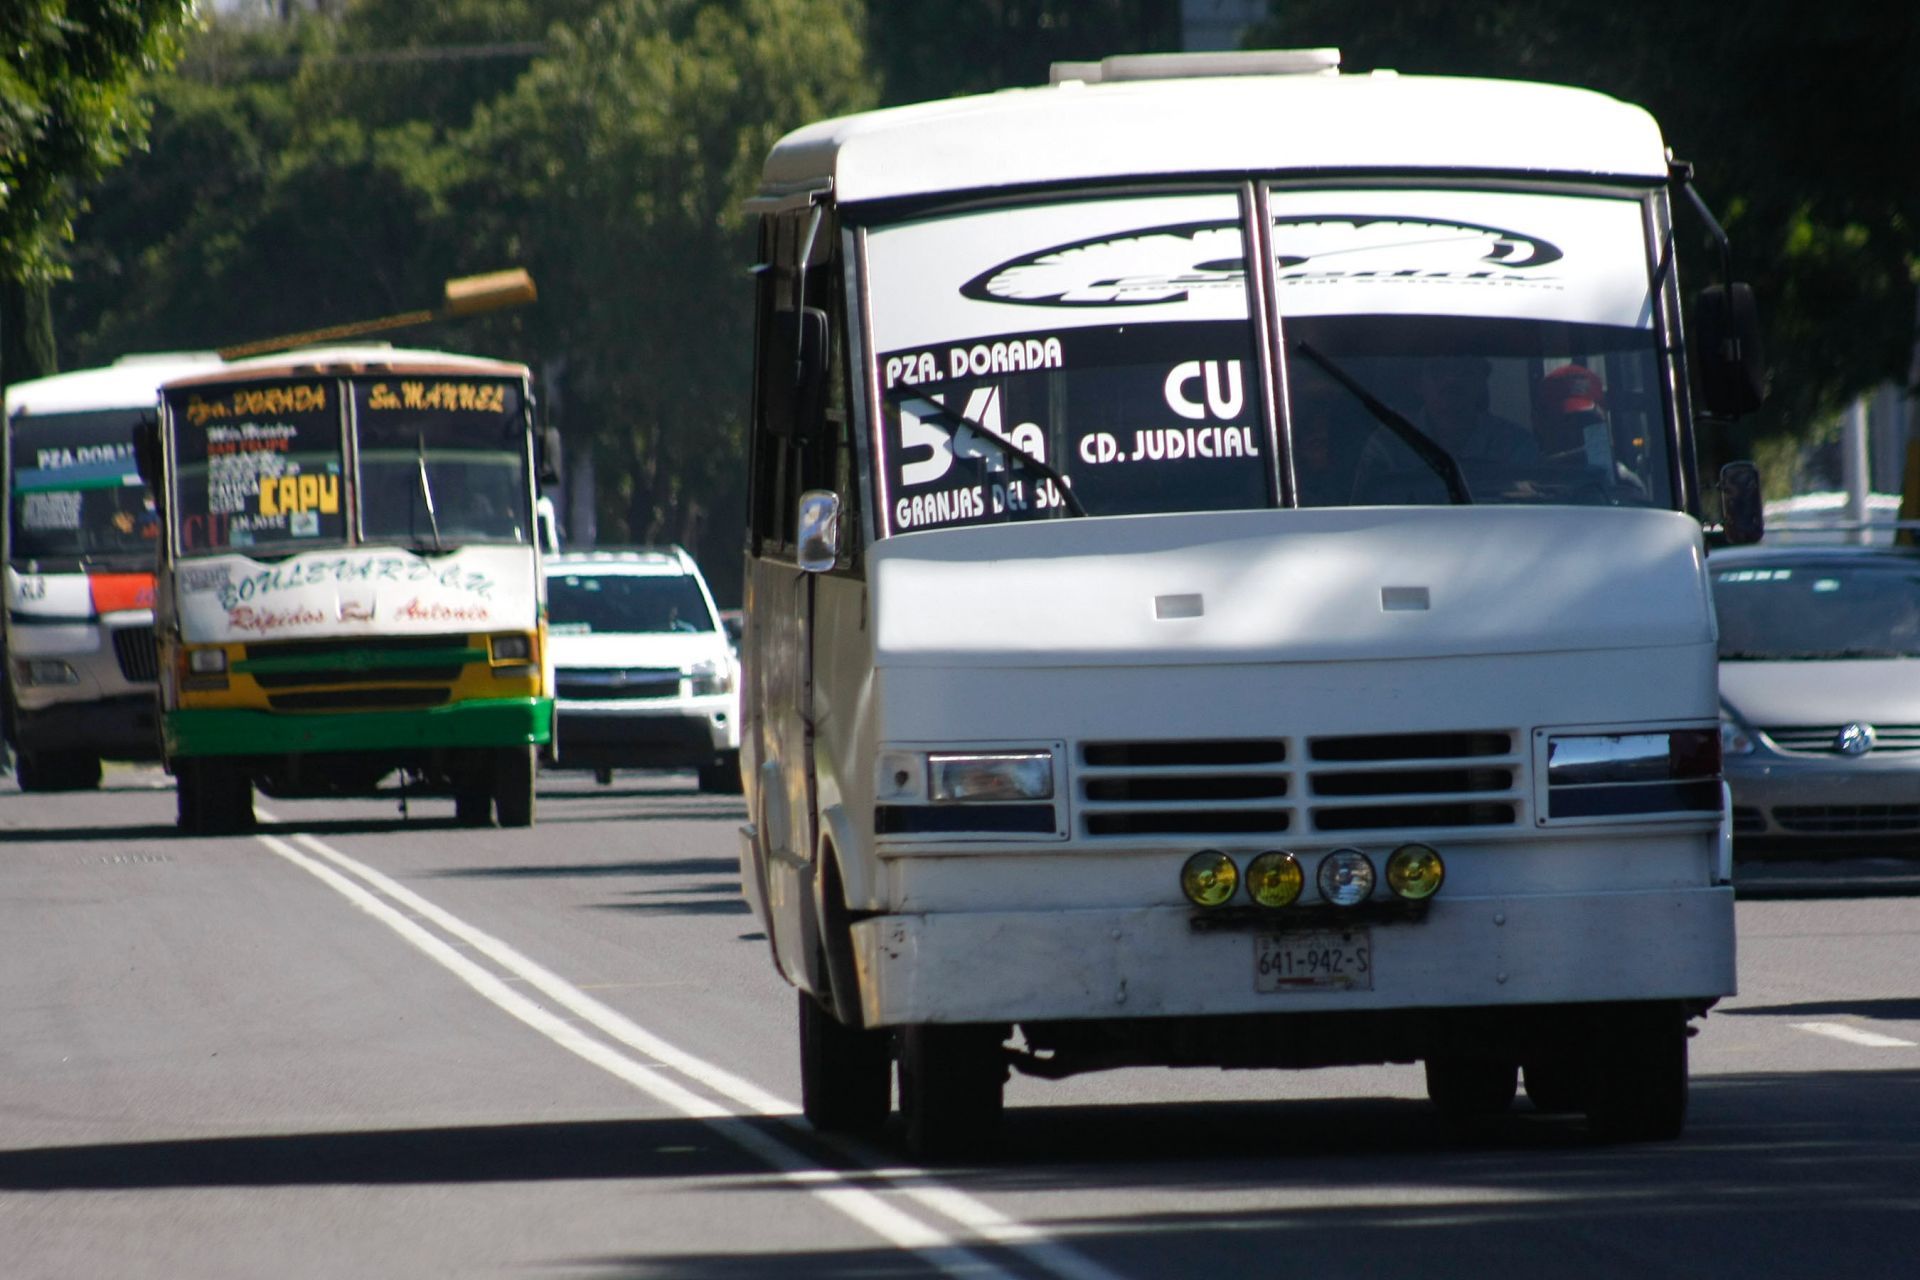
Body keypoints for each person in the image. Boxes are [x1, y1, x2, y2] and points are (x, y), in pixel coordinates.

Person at [1350, 354, 1535, 502]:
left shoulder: (1515, 444)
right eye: (1437, 370)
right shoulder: (1388, 445)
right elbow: (1366, 516)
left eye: (1465, 371)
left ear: (1481, 383)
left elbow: (1530, 513)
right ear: (1418, 384)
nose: (1451, 380)